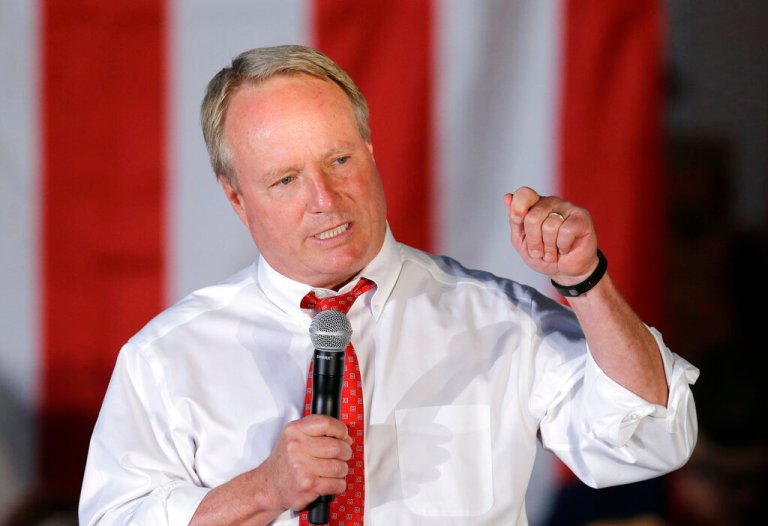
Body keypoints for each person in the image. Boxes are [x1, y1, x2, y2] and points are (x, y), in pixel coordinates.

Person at [79, 45, 698, 525]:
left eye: (340, 160)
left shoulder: (500, 318)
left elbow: (653, 440)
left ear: (371, 151)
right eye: (286, 180)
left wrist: (585, 282)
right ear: (238, 199)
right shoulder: (167, 356)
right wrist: (263, 490)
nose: (324, 200)